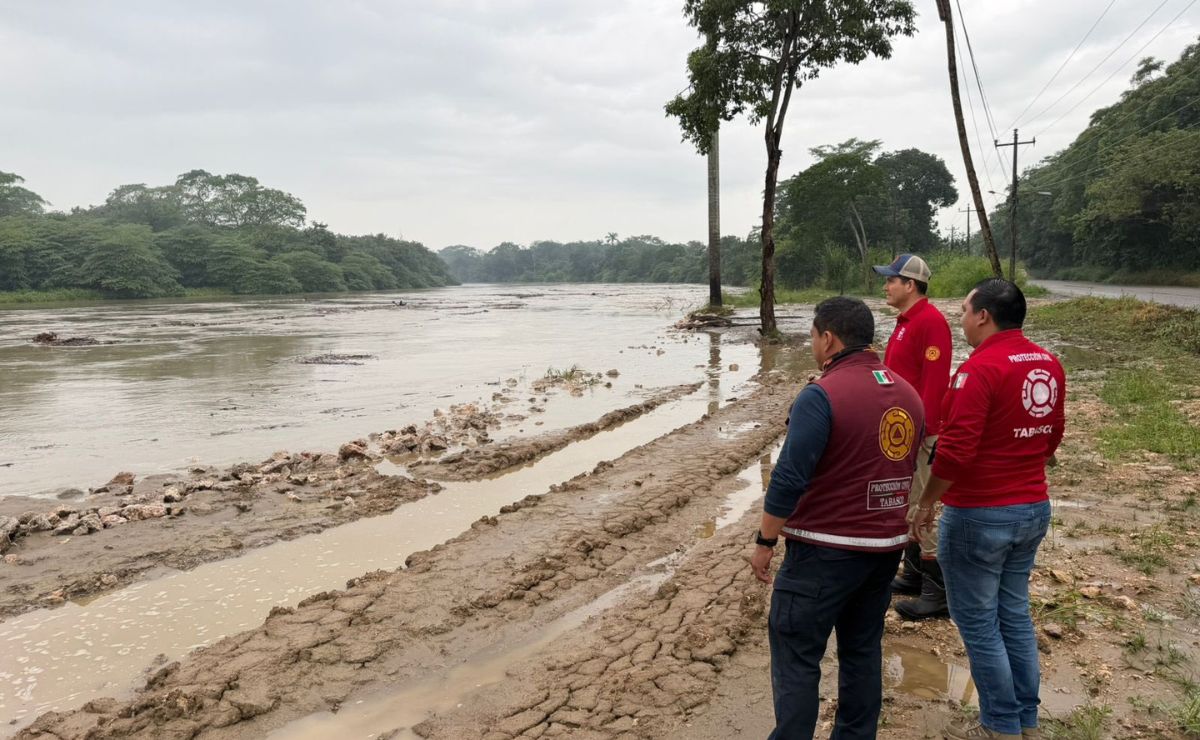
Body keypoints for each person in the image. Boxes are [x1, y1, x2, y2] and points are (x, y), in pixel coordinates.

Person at [751, 296, 925, 740]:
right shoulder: (907, 392)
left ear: (827, 338)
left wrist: (765, 542)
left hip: (823, 552)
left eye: (812, 335)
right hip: (885, 550)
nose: (812, 342)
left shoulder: (821, 395)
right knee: (862, 651)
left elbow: (789, 477)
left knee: (797, 655)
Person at [909, 279, 1066, 740]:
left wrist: (925, 503)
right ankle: (1025, 718)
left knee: (978, 621)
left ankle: (1000, 724)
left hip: (979, 514)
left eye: (963, 310)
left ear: (983, 316)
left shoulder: (978, 370)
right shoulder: (1048, 362)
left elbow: (954, 454)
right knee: (1013, 612)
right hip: (1032, 507)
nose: (960, 318)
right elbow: (1052, 436)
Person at [872, 253, 953, 620]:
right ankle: (913, 575)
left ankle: (938, 594)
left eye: (891, 280)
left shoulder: (931, 323)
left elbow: (934, 384)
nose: (886, 286)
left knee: (923, 503)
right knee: (908, 502)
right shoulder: (905, 322)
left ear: (911, 285)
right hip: (903, 431)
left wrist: (925, 431)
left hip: (921, 434)